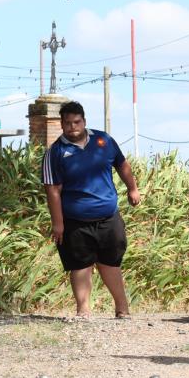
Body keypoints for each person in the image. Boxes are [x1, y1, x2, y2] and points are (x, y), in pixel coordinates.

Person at [41, 101, 141, 319]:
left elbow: (122, 165)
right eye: (67, 123)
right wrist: (58, 223)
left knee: (110, 263)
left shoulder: (103, 140)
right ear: (61, 124)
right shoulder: (55, 152)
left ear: (84, 121)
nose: (72, 127)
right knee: (80, 265)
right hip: (75, 220)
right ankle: (83, 311)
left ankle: (122, 309)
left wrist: (132, 189)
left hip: (108, 216)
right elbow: (53, 190)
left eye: (76, 122)